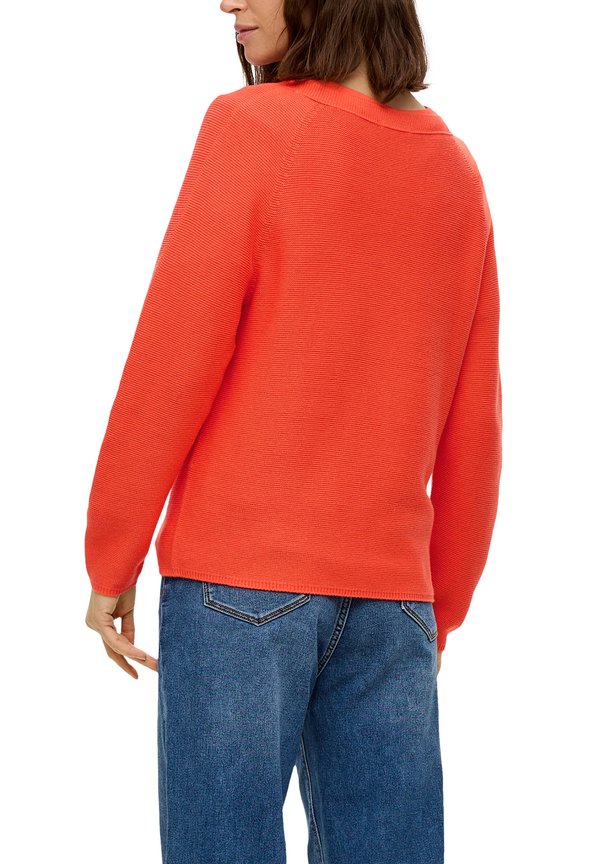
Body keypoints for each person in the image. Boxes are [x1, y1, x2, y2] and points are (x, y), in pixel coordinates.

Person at [84, 1, 502, 861]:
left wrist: (111, 557)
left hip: (236, 584)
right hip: (394, 601)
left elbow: (172, 360)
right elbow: (476, 420)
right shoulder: (456, 170)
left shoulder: (253, 128)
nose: (228, 2)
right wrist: (440, 607)